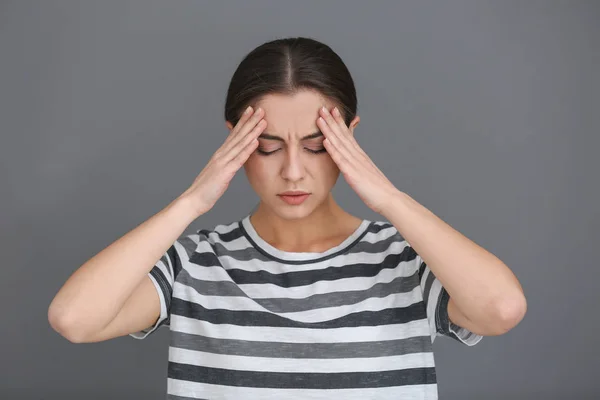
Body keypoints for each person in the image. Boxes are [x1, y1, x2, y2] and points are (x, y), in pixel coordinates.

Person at [48, 36, 527, 399]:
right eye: (268, 146)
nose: (293, 171)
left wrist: (389, 199)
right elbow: (74, 319)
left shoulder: (405, 259)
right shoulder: (195, 262)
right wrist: (193, 201)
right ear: (235, 141)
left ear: (349, 139)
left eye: (317, 146)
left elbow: (501, 309)